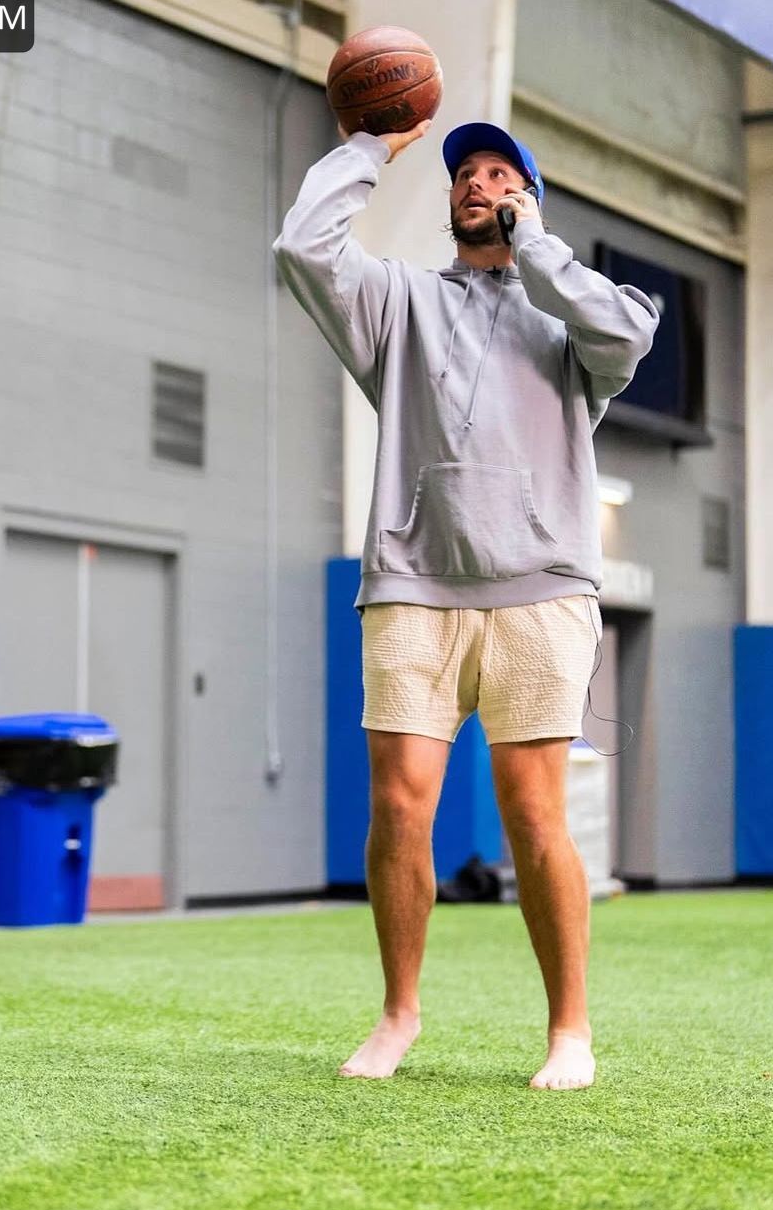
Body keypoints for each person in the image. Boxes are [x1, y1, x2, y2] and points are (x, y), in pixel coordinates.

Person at [273, 119, 657, 1090]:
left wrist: (537, 248)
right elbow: (302, 248)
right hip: (415, 585)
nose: (476, 184)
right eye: (466, 174)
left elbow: (630, 332)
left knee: (533, 813)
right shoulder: (400, 303)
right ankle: (399, 1013)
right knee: (400, 803)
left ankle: (570, 1029)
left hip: (541, 593)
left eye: (498, 173)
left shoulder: (570, 323)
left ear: (528, 198)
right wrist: (366, 149)